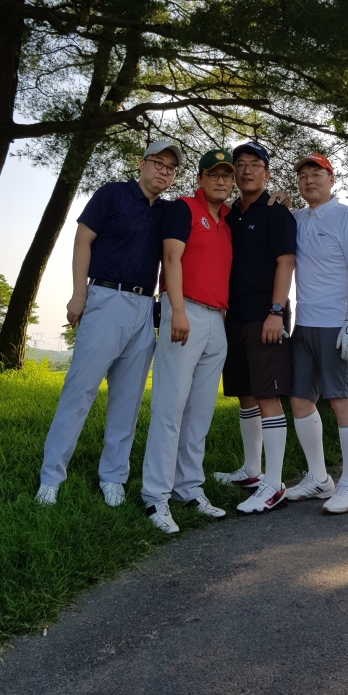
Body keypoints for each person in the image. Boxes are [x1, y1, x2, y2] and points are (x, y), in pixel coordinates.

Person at [35, 140, 183, 507]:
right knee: (79, 391)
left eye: (171, 168)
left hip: (144, 307)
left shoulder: (168, 212)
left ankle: (113, 476)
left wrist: (274, 199)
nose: (164, 171)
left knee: (127, 401)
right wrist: (78, 294)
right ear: (142, 164)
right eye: (158, 162)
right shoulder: (112, 194)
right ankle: (51, 478)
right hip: (105, 298)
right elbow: (82, 241)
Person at [141, 150, 235, 533]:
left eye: (227, 176)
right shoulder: (183, 208)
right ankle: (155, 497)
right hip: (186, 312)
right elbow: (171, 259)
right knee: (170, 408)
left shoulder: (227, 220)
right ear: (200, 179)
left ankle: (189, 488)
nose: (221, 181)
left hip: (217, 319)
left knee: (199, 413)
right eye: (214, 174)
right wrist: (176, 310)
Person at [213, 141, 297, 514]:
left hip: (266, 317)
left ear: (266, 172)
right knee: (245, 394)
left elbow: (286, 262)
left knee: (267, 396)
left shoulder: (277, 212)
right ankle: (251, 471)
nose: (246, 170)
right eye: (240, 164)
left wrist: (276, 311)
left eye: (254, 164)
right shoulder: (229, 215)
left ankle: (274, 485)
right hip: (234, 317)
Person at [285, 153, 348, 514]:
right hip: (303, 324)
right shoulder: (296, 218)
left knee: (341, 400)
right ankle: (319, 479)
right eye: (302, 175)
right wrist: (278, 201)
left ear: (331, 178)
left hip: (336, 324)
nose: (308, 180)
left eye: (316, 173)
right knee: (300, 400)